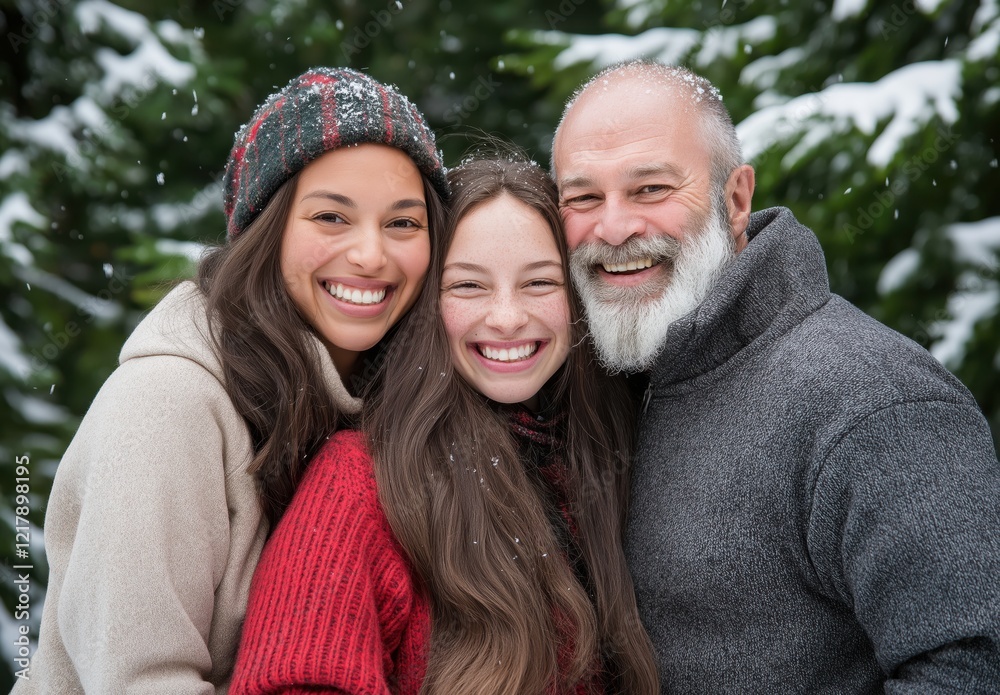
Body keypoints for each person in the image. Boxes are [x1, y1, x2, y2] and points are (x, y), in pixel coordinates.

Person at [551, 59, 1000, 692]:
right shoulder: (610, 381)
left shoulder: (875, 402)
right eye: (583, 198)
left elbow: (971, 668)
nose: (615, 227)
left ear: (735, 199)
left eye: (651, 189)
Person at [15, 67, 448, 694]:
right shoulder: (167, 404)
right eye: (331, 216)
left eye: (403, 223)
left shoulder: (387, 403)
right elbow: (139, 682)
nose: (371, 254)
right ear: (264, 233)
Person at [228, 156, 661, 695]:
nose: (506, 317)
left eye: (539, 282)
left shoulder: (613, 457)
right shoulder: (361, 482)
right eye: (468, 287)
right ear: (428, 305)